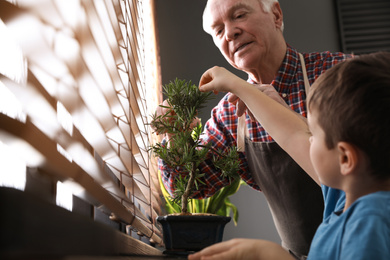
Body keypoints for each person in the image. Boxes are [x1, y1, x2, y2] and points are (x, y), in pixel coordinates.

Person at [157, 0, 353, 258]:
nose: (230, 33)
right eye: (218, 30)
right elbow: (186, 184)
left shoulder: (338, 74)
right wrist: (171, 134)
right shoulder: (230, 113)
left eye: (239, 15)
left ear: (276, 14)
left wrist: (283, 115)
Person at [188, 51, 390, 259]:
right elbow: (292, 135)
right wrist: (239, 85)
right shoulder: (345, 195)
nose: (308, 138)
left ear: (345, 159)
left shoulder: (369, 222)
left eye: (314, 133)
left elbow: (296, 135)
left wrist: (274, 255)